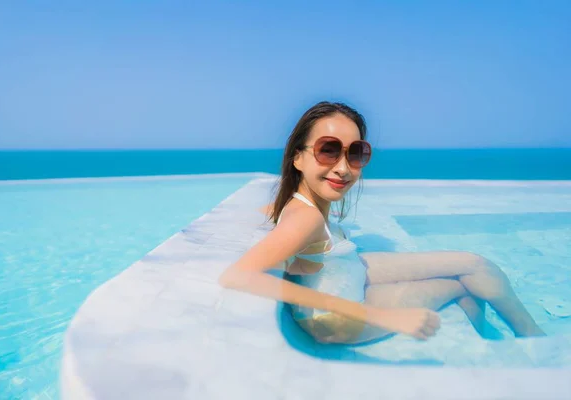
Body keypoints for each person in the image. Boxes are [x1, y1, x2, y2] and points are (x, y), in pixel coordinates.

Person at [218, 101, 545, 343]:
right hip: (339, 319)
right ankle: (524, 345)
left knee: (474, 264)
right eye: (328, 150)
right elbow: (238, 276)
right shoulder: (304, 217)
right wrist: (381, 316)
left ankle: (524, 338)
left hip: (346, 274)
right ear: (298, 157)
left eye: (355, 153)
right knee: (464, 285)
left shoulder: (296, 203)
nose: (344, 168)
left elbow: (275, 223)